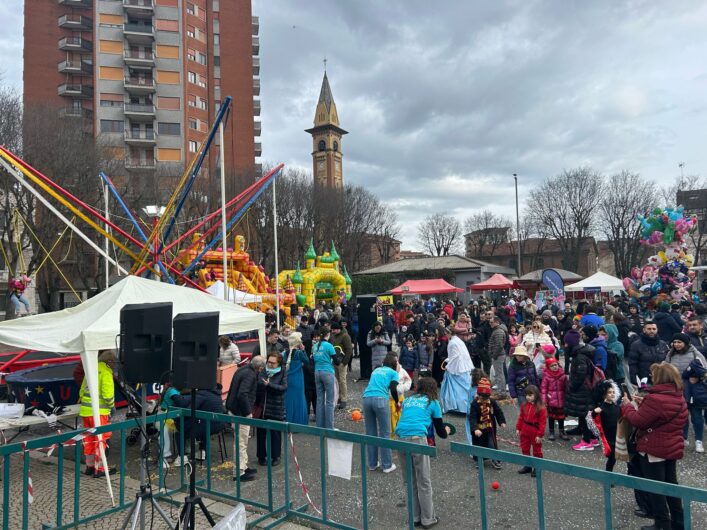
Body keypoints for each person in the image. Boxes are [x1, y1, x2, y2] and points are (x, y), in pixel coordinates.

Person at [621, 363, 688, 530]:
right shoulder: (678, 396)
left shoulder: (656, 399)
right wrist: (644, 402)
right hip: (672, 446)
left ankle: (662, 523)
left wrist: (628, 406)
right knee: (671, 485)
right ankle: (679, 523)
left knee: (656, 488)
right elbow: (663, 413)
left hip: (654, 448)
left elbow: (638, 420)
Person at [394, 377, 450, 529]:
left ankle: (414, 517)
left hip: (399, 437)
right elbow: (441, 432)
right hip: (417, 438)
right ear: (433, 389)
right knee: (424, 481)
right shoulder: (433, 403)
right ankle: (428, 519)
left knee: (409, 481)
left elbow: (409, 418)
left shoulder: (408, 400)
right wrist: (447, 429)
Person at [226, 356, 266, 482]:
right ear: (259, 368)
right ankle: (238, 472)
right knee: (241, 442)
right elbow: (242, 394)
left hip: (233, 409)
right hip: (240, 413)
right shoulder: (251, 375)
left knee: (241, 441)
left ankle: (243, 466)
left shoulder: (242, 370)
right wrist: (248, 412)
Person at [78, 349, 117, 477]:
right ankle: (99, 468)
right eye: (114, 362)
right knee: (101, 439)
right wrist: (112, 406)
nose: (115, 365)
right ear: (109, 361)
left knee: (89, 439)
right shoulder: (106, 372)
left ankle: (89, 466)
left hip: (86, 412)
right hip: (99, 412)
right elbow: (107, 394)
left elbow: (82, 391)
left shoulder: (91, 370)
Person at [171, 384, 227, 467]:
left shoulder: (201, 394)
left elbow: (189, 411)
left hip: (207, 426)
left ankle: (182, 457)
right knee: (204, 425)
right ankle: (202, 451)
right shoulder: (216, 394)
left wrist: (176, 419)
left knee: (179, 430)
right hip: (219, 425)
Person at [362, 353, 400, 472]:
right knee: (385, 433)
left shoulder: (376, 370)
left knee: (370, 432)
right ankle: (387, 465)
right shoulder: (393, 373)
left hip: (367, 399)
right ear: (394, 364)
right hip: (380, 400)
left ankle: (372, 464)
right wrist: (397, 401)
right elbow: (393, 389)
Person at [563, 329, 598, 451]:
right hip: (585, 389)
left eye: (566, 343)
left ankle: (586, 441)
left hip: (583, 391)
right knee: (586, 415)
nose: (565, 345)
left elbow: (580, 375)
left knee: (584, 416)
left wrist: (571, 386)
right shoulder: (582, 353)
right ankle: (593, 439)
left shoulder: (579, 357)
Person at [255, 352, 287, 466]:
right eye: (268, 362)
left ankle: (276, 456)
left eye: (273, 363)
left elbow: (283, 387)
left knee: (275, 433)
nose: (270, 364)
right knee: (261, 433)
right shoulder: (264, 370)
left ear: (278, 363)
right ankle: (261, 456)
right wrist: (265, 385)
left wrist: (269, 385)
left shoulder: (283, 371)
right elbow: (258, 382)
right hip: (262, 406)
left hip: (276, 407)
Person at [467, 378, 506, 469]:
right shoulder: (474, 404)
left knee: (492, 444)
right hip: (479, 429)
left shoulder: (492, 402)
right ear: (478, 394)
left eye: (486, 398)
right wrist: (475, 428)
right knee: (479, 446)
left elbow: (498, 412)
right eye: (482, 397)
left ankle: (495, 459)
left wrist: (502, 422)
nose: (484, 400)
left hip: (489, 428)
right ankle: (479, 460)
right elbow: (472, 418)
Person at [440, 325, 475, 413]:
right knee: (465, 387)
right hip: (464, 367)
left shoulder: (453, 342)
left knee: (456, 389)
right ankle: (466, 407)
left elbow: (456, 356)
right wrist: (448, 359)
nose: (445, 335)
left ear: (449, 333)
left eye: (446, 333)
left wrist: (448, 366)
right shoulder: (458, 340)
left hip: (457, 368)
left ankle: (456, 406)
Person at [516, 384, 546, 477]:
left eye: (530, 395)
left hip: (535, 430)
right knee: (525, 448)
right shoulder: (525, 405)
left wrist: (540, 435)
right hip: (525, 429)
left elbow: (542, 423)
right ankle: (528, 465)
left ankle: (537, 467)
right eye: (527, 395)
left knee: (537, 450)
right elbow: (521, 417)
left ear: (536, 395)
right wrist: (518, 428)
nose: (528, 397)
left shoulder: (541, 408)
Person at [591, 380, 621, 472]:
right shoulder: (601, 408)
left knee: (614, 458)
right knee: (612, 458)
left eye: (613, 392)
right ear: (604, 395)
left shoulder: (617, 407)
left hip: (617, 436)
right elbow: (592, 419)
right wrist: (594, 412)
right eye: (609, 392)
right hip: (608, 438)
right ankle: (608, 475)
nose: (612, 394)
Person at [628, 321, 669, 387]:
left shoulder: (662, 344)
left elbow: (668, 361)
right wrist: (635, 380)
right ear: (644, 330)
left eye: (654, 329)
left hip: (661, 380)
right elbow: (633, 364)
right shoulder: (636, 345)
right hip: (644, 380)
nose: (652, 331)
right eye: (649, 329)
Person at [313, 328, 337, 429]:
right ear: (328, 334)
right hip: (327, 372)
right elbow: (337, 361)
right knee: (330, 401)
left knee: (319, 400)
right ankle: (329, 427)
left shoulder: (314, 346)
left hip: (317, 372)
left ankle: (320, 426)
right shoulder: (329, 345)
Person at [540, 357, 569, 440]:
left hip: (561, 400)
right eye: (552, 366)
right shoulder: (546, 376)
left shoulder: (563, 375)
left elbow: (566, 387)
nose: (555, 367)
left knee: (561, 417)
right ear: (548, 367)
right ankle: (551, 432)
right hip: (551, 401)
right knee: (551, 417)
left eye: (555, 364)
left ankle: (561, 431)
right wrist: (544, 400)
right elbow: (544, 389)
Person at [683, 356, 707, 453]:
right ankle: (683, 438)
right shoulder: (671, 354)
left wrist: (699, 374)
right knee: (683, 417)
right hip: (683, 390)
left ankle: (698, 440)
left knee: (697, 417)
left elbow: (703, 371)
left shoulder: (696, 354)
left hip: (697, 393)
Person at [285, 333, 309, 425]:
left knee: (289, 400)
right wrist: (303, 350)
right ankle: (299, 423)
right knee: (299, 400)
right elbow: (307, 361)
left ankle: (288, 421)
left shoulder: (285, 353)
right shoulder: (299, 353)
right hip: (298, 379)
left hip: (288, 378)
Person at [330, 321, 353, 409]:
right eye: (332, 330)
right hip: (334, 361)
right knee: (336, 380)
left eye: (335, 329)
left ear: (339, 329)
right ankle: (338, 397)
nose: (333, 331)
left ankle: (344, 399)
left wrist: (344, 362)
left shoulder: (345, 336)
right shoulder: (332, 336)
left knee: (342, 381)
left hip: (342, 362)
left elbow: (349, 350)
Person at [487, 317, 509, 399]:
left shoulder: (498, 331)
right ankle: (501, 391)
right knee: (499, 374)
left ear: (496, 322)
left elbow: (499, 345)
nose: (490, 324)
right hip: (498, 355)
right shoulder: (497, 330)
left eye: (491, 322)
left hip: (498, 355)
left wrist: (494, 355)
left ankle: (501, 393)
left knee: (499, 374)